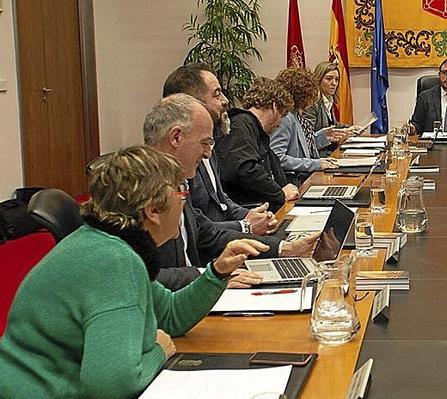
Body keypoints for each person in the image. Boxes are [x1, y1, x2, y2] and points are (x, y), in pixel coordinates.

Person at [0, 145, 268, 398]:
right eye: (181, 194)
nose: (184, 204)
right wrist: (158, 351)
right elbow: (110, 386)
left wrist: (217, 273)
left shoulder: (109, 244)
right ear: (152, 210)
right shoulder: (113, 260)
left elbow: (171, 315)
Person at [144, 94, 317, 290]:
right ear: (176, 137)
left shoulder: (177, 181)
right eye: (204, 143)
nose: (209, 153)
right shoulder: (136, 191)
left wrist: (283, 249)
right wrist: (210, 277)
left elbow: (208, 233)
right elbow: (141, 278)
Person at [163, 62, 277, 235]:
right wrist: (244, 226)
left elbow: (221, 201)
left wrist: (252, 216)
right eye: (217, 94)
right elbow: (195, 227)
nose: (225, 101)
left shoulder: (211, 143)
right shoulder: (180, 156)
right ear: (190, 101)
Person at [215, 77, 304, 212]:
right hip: (252, 211)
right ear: (274, 106)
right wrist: (279, 194)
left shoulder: (252, 128)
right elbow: (244, 169)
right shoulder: (241, 124)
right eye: (282, 114)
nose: (279, 123)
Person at [272, 67, 341, 185]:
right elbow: (276, 158)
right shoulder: (286, 118)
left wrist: (323, 137)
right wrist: (315, 164)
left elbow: (302, 147)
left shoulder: (297, 116)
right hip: (296, 183)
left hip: (308, 177)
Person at [303, 61, 353, 156]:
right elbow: (306, 139)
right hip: (318, 156)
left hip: (330, 153)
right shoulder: (312, 104)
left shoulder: (329, 99)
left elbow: (332, 125)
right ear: (318, 79)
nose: (334, 83)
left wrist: (350, 129)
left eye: (337, 79)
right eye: (329, 79)